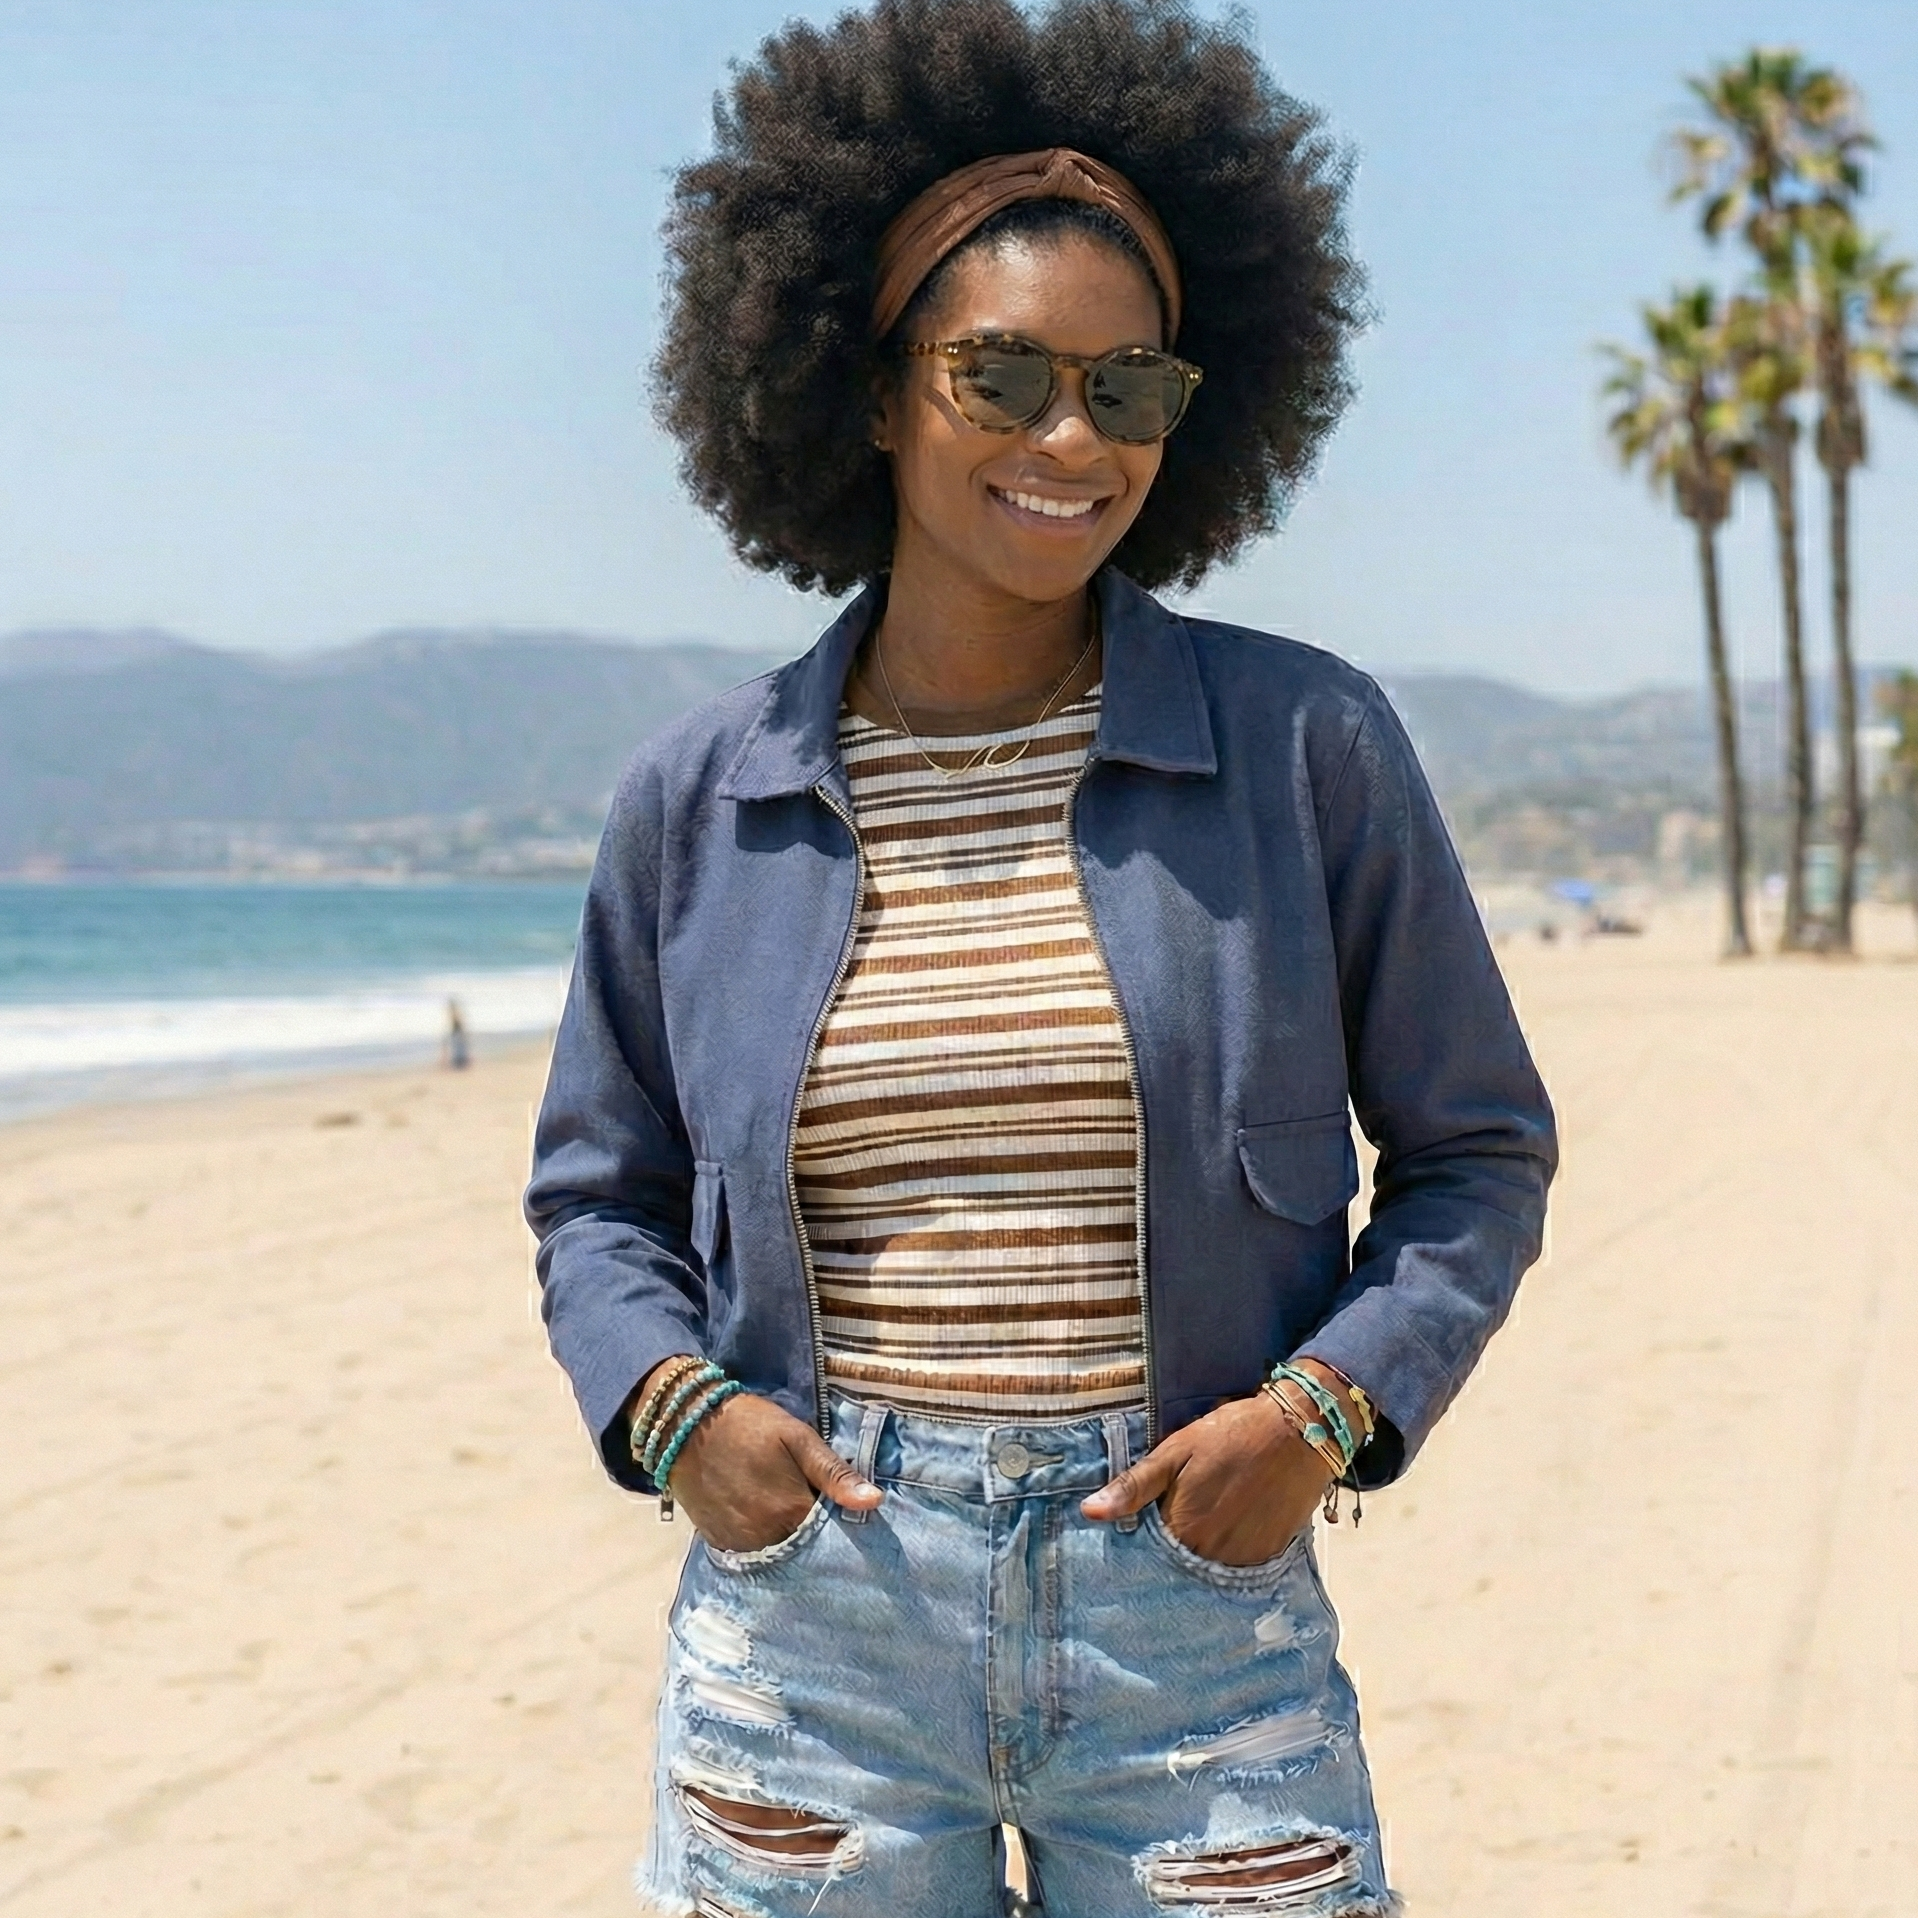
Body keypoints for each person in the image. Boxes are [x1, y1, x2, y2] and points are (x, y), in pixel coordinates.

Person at [524, 5, 1556, 1913]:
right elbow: (601, 1197)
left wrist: (1318, 1414)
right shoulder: (699, 798)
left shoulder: (1305, 749)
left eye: (1129, 388)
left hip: (1194, 1626)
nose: (1070, 441)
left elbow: (1476, 1152)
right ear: (865, 386)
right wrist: (677, 1418)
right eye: (999, 380)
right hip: (812, 1640)